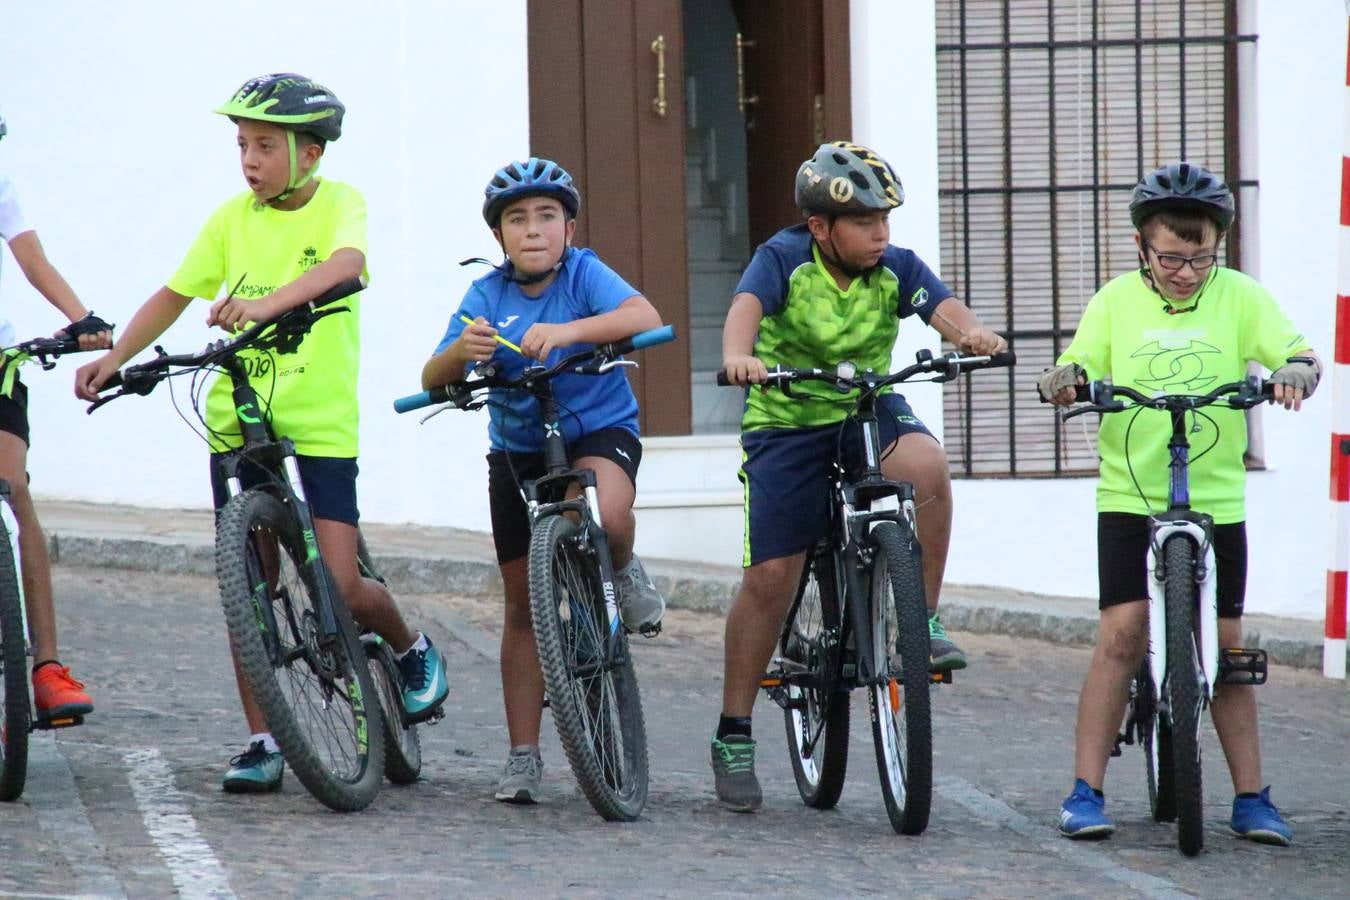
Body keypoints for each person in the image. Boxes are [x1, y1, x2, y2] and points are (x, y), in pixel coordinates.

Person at [73, 74, 448, 792]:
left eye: (266, 146)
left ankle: (409, 648)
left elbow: (349, 265)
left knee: (341, 580)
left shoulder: (341, 203)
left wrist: (266, 304)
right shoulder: (229, 219)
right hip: (239, 415)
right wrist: (115, 359)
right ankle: (262, 740)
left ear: (310, 155)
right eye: (242, 144)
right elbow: (174, 294)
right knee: (249, 586)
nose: (249, 158)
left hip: (321, 416)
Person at [712, 141, 1007, 811]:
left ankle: (920, 621)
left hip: (863, 405)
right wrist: (738, 357)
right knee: (769, 578)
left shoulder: (894, 267)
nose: (880, 235)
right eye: (865, 222)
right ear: (821, 227)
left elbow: (945, 310)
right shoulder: (783, 258)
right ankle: (733, 732)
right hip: (787, 419)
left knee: (927, 466)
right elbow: (745, 311)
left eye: (886, 221)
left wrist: (972, 335)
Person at [1039, 161, 1316, 846]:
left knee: (1226, 647)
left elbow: (1300, 354)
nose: (1187, 271)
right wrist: (1066, 380)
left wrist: (1292, 374)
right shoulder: (1113, 302)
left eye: (1201, 257)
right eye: (1171, 257)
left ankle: (1252, 797)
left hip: (1216, 497)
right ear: (1142, 247)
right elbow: (1073, 367)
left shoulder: (1242, 297)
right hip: (1129, 493)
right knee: (1122, 635)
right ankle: (1085, 790)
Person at [419, 157, 665, 804]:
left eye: (547, 217)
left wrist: (567, 332)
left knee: (607, 515)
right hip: (518, 450)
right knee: (522, 606)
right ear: (498, 236)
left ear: (570, 228)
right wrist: (458, 355)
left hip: (595, 428)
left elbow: (641, 314)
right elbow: (433, 376)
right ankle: (523, 756)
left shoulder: (584, 274)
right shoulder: (485, 297)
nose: (533, 230)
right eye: (517, 220)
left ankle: (625, 563)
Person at [0, 110, 112, 723]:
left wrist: (81, 317)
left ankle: (46, 666)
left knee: (13, 488)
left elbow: (31, 256)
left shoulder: (2, 185)